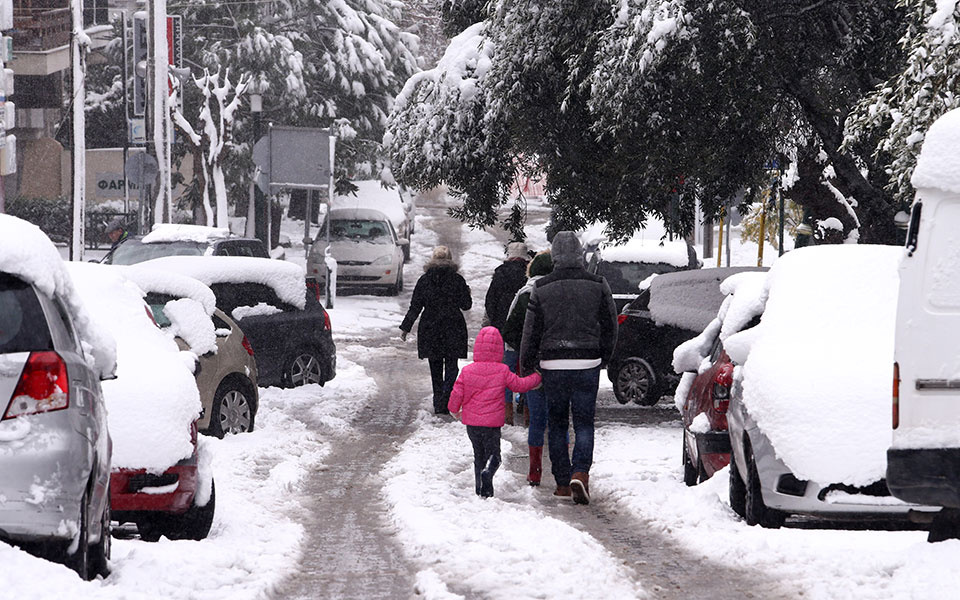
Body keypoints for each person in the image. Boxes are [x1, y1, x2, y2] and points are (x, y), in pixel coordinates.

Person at [519, 231, 618, 505]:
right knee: (585, 423)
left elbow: (531, 331)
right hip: (587, 361)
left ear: (555, 256)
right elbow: (610, 324)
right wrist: (605, 356)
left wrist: (527, 364)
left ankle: (562, 483)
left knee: (558, 423)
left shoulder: (542, 287)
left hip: (553, 363)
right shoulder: (598, 284)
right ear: (580, 254)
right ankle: (581, 473)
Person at [448, 327, 542, 497]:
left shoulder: (467, 371)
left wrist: (454, 410)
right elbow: (519, 386)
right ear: (499, 349)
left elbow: (456, 394)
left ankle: (481, 490)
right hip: (492, 425)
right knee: (495, 456)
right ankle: (488, 474)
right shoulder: (502, 371)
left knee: (479, 456)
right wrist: (537, 377)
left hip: (472, 424)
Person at [400, 246, 472, 414]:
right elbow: (466, 305)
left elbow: (415, 306)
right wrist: (466, 293)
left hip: (431, 327)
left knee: (435, 365)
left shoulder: (424, 280)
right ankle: (448, 396)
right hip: (453, 326)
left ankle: (438, 401)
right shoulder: (457, 280)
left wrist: (406, 327)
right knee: (452, 364)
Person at [502, 250, 554, 486]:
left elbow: (510, 327)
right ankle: (562, 472)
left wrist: (523, 350)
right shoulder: (559, 291)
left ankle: (535, 470)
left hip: (531, 361)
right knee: (558, 418)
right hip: (557, 361)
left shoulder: (525, 293)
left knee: (536, 418)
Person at [484, 241, 529, 424]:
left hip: (504, 330)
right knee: (526, 368)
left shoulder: (500, 274)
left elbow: (490, 301)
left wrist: (495, 322)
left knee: (506, 369)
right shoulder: (529, 275)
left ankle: (507, 411)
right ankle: (526, 405)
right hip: (526, 328)